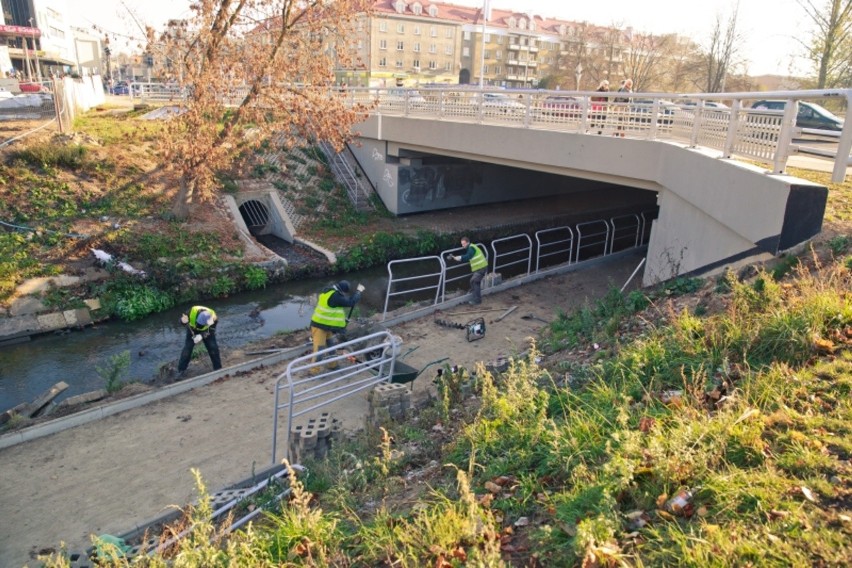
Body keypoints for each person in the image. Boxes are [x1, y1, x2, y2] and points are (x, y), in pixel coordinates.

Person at [310, 280, 364, 369]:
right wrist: (358, 292)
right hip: (319, 326)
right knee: (319, 351)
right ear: (342, 290)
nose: (344, 295)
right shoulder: (335, 296)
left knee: (331, 347)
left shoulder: (329, 292)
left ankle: (333, 365)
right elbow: (350, 302)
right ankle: (314, 371)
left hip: (327, 326)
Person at [177, 305, 221, 376]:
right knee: (187, 349)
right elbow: (181, 320)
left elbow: (212, 330)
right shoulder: (191, 311)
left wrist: (201, 336)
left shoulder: (213, 317)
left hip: (207, 331)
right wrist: (182, 321)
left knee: (213, 347)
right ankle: (181, 370)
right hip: (192, 330)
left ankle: (218, 368)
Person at [448, 236, 488, 305]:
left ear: (468, 242)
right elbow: (468, 256)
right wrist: (459, 258)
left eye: (463, 244)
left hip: (481, 268)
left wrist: (459, 257)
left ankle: (477, 300)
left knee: (474, 282)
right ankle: (475, 297)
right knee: (474, 282)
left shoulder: (471, 248)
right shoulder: (472, 247)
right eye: (462, 244)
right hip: (481, 267)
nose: (462, 245)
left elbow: (468, 256)